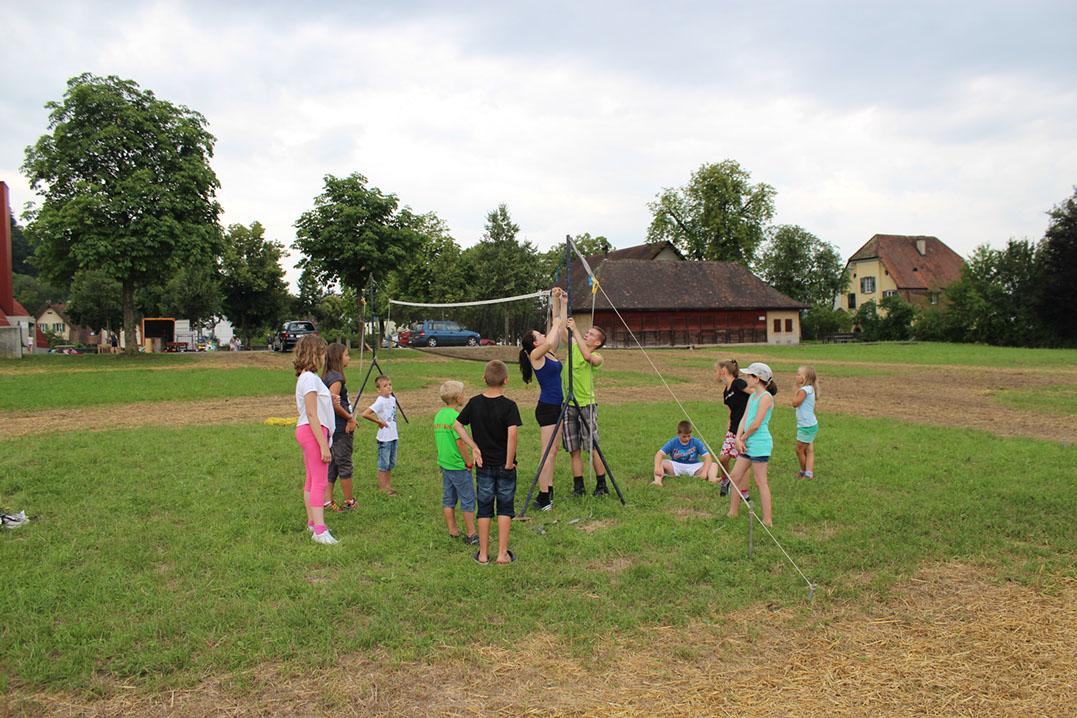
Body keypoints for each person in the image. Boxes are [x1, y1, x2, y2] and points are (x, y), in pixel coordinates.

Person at [453, 360, 522, 565]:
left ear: (484, 379)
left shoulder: (474, 403)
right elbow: (512, 435)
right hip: (505, 466)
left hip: (483, 466)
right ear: (506, 381)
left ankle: (483, 554)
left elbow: (457, 426)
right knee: (505, 508)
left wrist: (474, 447)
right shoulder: (510, 406)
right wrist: (508, 463)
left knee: (484, 508)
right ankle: (502, 554)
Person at [518, 286, 567, 510]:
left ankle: (549, 489)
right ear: (535, 343)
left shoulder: (549, 351)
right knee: (546, 452)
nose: (544, 334)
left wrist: (560, 302)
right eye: (540, 334)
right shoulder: (536, 354)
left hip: (558, 406)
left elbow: (558, 327)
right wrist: (554, 322)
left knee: (554, 451)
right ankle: (542, 496)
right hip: (547, 408)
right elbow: (552, 333)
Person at [293, 334, 338, 544]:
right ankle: (320, 531)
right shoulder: (310, 378)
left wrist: (329, 398)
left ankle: (312, 523)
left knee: (311, 481)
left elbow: (314, 404)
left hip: (308, 431)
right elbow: (312, 414)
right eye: (322, 353)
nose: (324, 358)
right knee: (320, 482)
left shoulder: (307, 377)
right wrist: (323, 446)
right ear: (314, 354)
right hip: (313, 432)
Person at [561, 317, 608, 496]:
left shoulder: (598, 357)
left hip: (586, 406)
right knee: (574, 449)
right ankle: (578, 488)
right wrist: (561, 305)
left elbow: (588, 357)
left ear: (597, 343)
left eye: (591, 334)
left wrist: (576, 330)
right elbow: (561, 331)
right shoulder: (573, 346)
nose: (587, 335)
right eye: (587, 332)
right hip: (568, 405)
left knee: (592, 447)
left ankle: (602, 485)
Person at [727, 362, 777, 527]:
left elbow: (756, 424)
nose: (746, 378)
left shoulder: (765, 397)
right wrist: (738, 437)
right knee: (735, 477)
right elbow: (744, 419)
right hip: (747, 442)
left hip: (759, 444)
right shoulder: (752, 396)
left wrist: (742, 438)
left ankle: (767, 520)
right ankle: (732, 513)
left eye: (749, 376)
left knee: (760, 482)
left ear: (757, 379)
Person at [434, 380, 478, 544]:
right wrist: (468, 463)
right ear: (459, 399)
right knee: (468, 499)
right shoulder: (456, 418)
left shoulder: (439, 415)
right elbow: (460, 443)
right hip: (458, 466)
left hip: (445, 464)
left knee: (449, 498)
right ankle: (472, 534)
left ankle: (453, 530)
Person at [322, 343, 358, 512]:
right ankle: (349, 501)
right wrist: (350, 418)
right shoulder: (336, 378)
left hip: (333, 428)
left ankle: (327, 501)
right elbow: (333, 402)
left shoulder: (328, 375)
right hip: (341, 429)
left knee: (334, 464)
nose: (348, 358)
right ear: (338, 358)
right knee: (344, 463)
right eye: (346, 355)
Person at [715, 359, 750, 497]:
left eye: (716, 371)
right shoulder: (726, 392)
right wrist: (728, 431)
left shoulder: (738, 383)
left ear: (723, 371)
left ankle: (744, 493)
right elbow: (730, 413)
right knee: (723, 459)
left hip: (745, 429)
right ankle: (725, 481)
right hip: (733, 429)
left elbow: (755, 392)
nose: (715, 374)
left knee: (743, 461)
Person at [361, 375, 399, 495]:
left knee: (391, 463)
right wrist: (379, 422)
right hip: (384, 438)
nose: (389, 387)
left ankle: (388, 486)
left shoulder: (392, 399)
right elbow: (365, 414)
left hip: (393, 436)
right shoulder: (380, 401)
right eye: (385, 386)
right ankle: (383, 489)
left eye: (390, 384)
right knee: (383, 463)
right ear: (378, 389)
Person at [652, 420, 718, 487]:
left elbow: (708, 457)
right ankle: (658, 481)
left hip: (693, 466)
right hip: (676, 466)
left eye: (689, 436)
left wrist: (704, 472)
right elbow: (659, 454)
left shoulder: (696, 442)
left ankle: (712, 479)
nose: (687, 439)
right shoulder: (673, 442)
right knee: (661, 462)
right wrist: (657, 468)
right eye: (684, 436)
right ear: (678, 433)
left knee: (713, 465)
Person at [792, 365, 819, 480]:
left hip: (806, 426)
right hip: (812, 424)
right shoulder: (811, 389)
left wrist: (796, 392)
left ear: (805, 378)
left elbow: (795, 403)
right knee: (809, 450)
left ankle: (804, 471)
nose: (796, 376)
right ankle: (809, 473)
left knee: (799, 450)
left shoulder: (803, 390)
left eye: (798, 374)